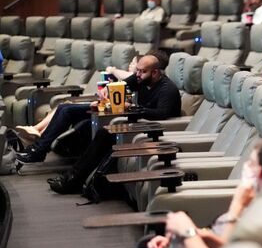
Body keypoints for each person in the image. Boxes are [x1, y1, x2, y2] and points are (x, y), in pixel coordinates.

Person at [146, 134, 262, 248]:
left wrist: (187, 232)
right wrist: (187, 239)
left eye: (251, 163)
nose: (246, 167)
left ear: (258, 173)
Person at [15, 51, 180, 164]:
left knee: (79, 119)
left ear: (155, 73)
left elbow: (161, 113)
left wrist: (132, 108)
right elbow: (121, 84)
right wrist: (107, 91)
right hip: (124, 113)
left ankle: (39, 151)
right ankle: (39, 150)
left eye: (142, 72)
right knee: (65, 109)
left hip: (138, 122)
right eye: (137, 71)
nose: (137, 75)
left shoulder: (168, 89)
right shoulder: (140, 78)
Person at [14, 55, 141, 142]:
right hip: (100, 102)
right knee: (64, 104)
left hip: (107, 109)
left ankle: (38, 131)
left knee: (66, 107)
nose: (130, 64)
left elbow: (130, 76)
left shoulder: (136, 78)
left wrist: (113, 69)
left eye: (133, 62)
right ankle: (38, 130)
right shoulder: (128, 78)